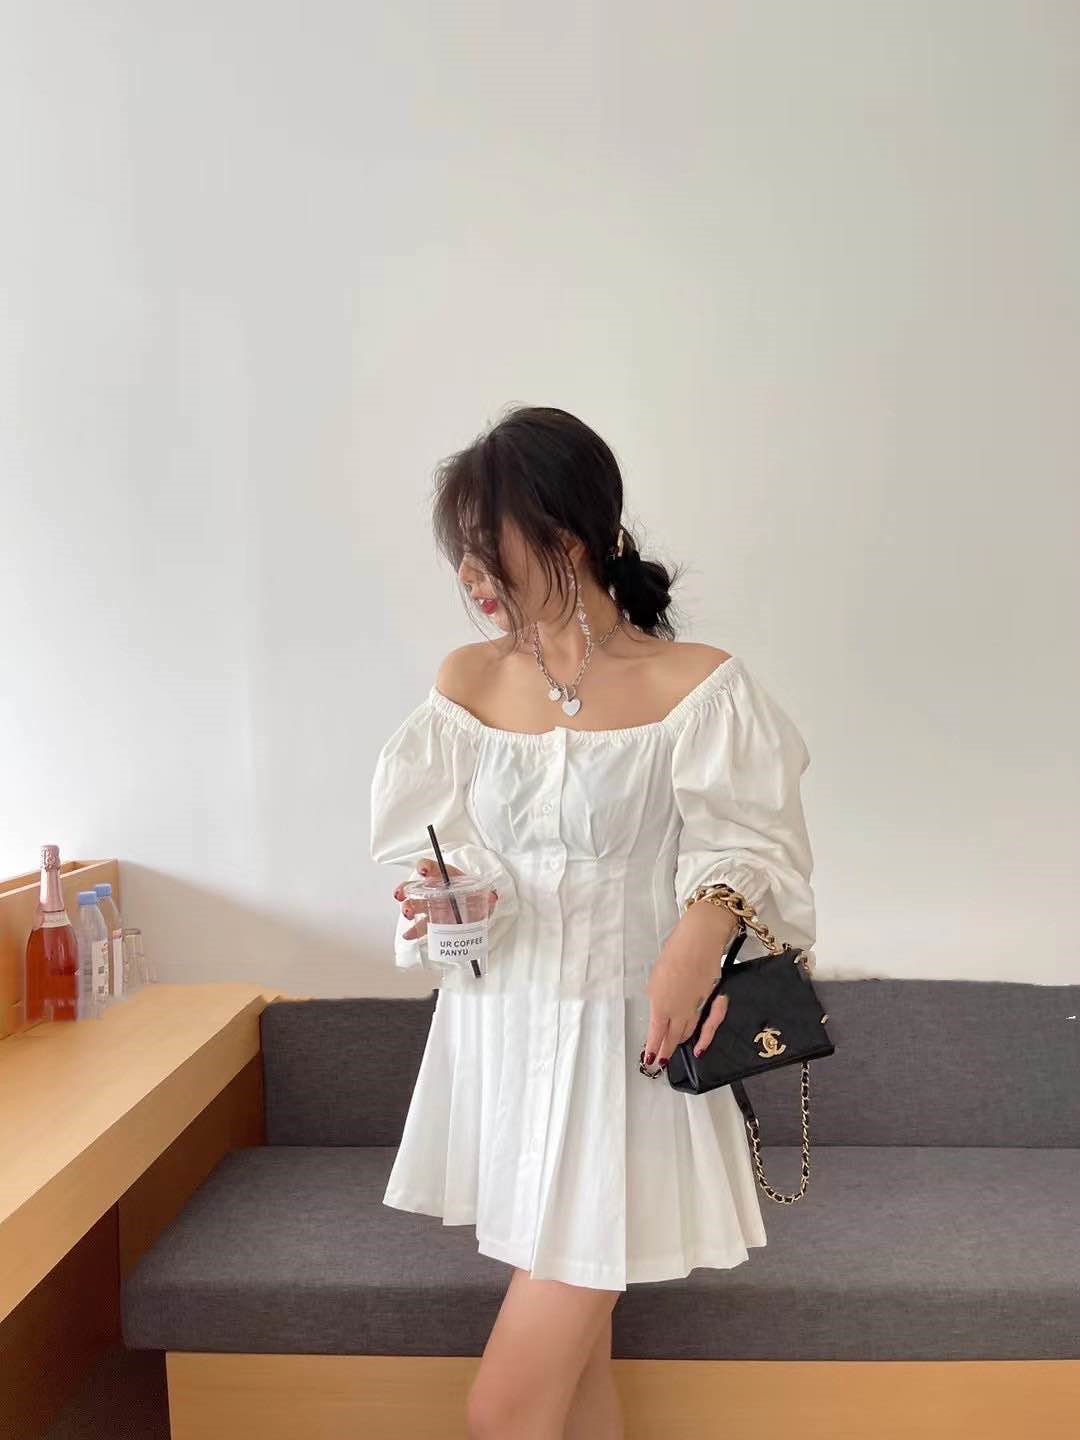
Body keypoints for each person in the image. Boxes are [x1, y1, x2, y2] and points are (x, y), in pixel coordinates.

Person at [369, 405, 817, 1440]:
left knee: (504, 1412)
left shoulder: (696, 686)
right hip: (504, 1041)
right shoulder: (467, 682)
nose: (471, 577)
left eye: (489, 548)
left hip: (626, 1057)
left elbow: (756, 848)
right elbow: (436, 854)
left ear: (569, 540)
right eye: (461, 554)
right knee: (576, 1383)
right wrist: (453, 896)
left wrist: (697, 940)